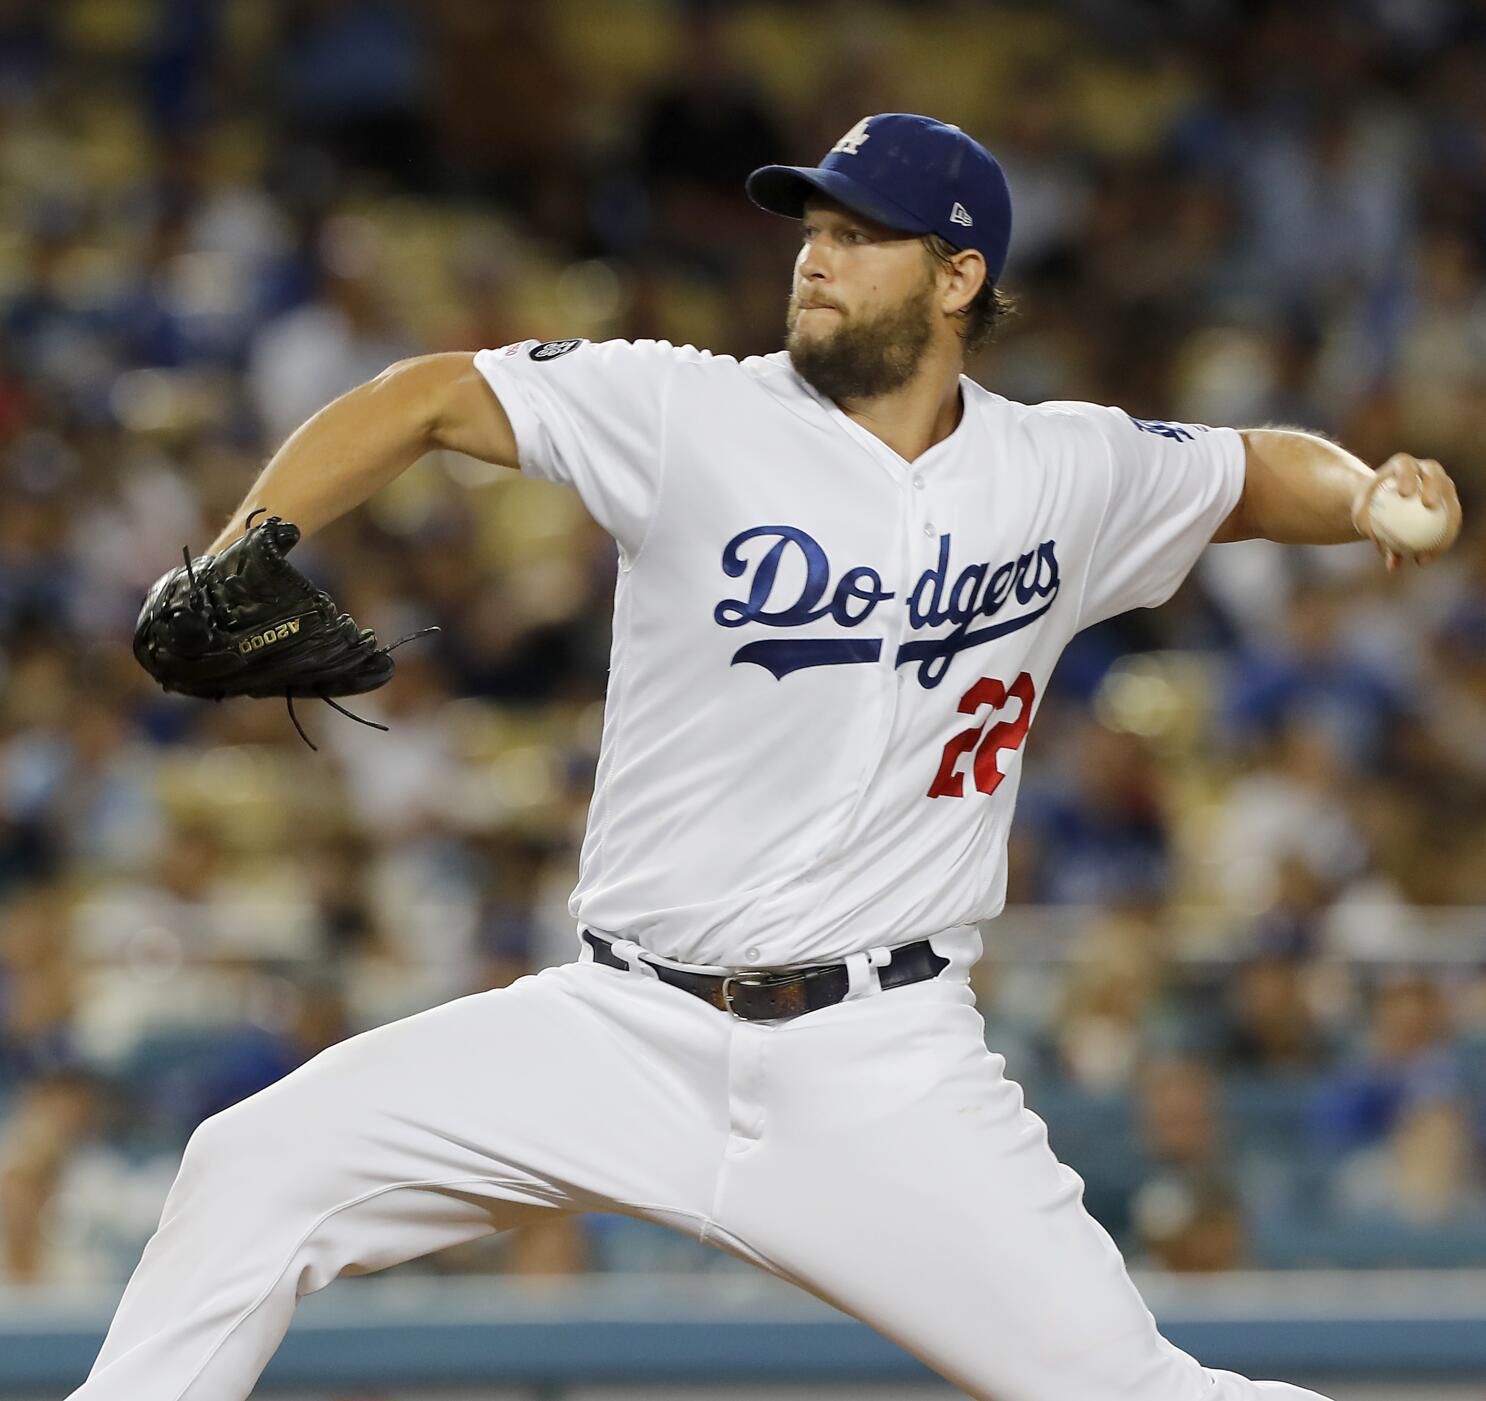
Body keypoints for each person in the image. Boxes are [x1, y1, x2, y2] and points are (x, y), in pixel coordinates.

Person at [75, 113, 1462, 1401]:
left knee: (1131, 1390)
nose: (815, 253)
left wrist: (1361, 493)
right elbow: (429, 397)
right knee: (249, 1169)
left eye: (860, 234)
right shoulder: (689, 412)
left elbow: (1242, 471)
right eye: (809, 227)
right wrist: (250, 538)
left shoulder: (1062, 469)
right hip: (619, 1027)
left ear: (958, 275)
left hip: (879, 1063)